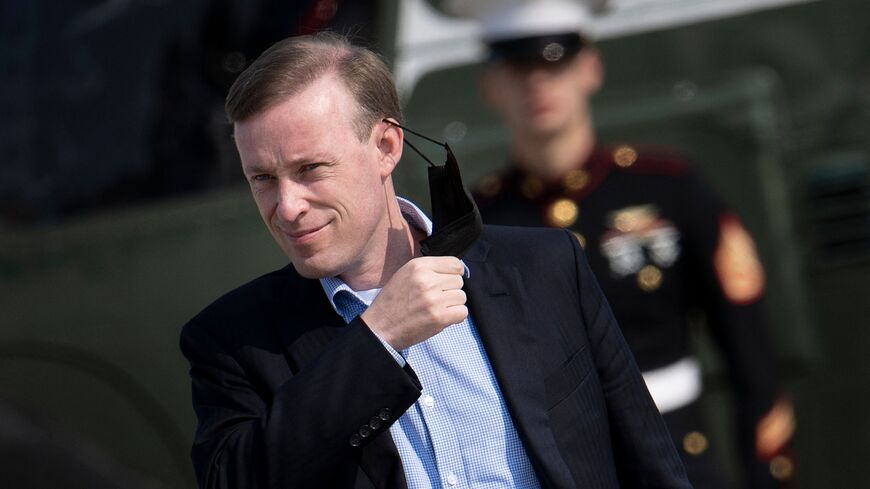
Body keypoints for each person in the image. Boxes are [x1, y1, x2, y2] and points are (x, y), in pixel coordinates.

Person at [180, 31, 692, 488]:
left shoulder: (543, 269)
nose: (287, 207)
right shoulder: (233, 340)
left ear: (386, 146)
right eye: (262, 179)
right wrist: (377, 341)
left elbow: (647, 462)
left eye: (310, 168)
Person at [445, 0, 797, 487]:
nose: (538, 84)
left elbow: (751, 354)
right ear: (489, 86)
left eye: (555, 63)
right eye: (516, 68)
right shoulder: (481, 225)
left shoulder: (669, 188)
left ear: (590, 68)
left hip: (682, 461)